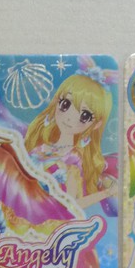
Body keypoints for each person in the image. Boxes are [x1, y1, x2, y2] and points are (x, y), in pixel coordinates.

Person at [24, 64, 115, 210]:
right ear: (56, 102)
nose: (69, 118)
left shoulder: (73, 158)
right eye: (65, 104)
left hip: (46, 217)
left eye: (85, 115)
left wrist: (106, 193)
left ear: (96, 124)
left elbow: (72, 204)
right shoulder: (41, 146)